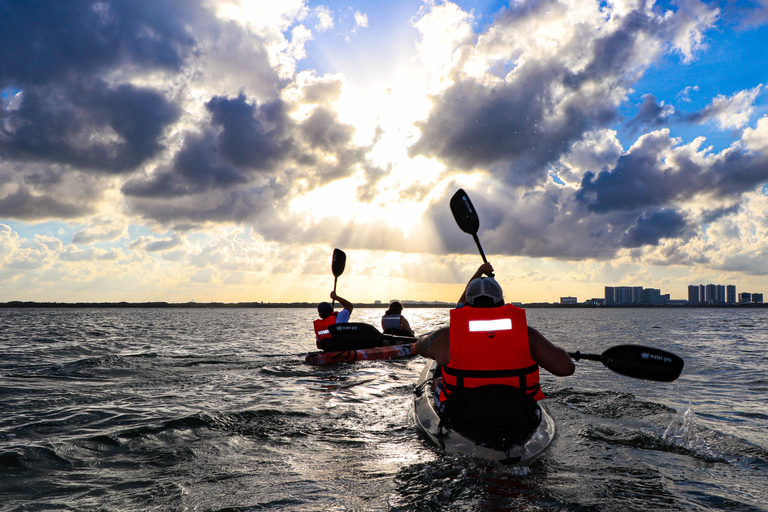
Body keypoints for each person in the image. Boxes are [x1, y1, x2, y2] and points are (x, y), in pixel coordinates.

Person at [415, 262, 574, 436]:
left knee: (437, 382)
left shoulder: (446, 336)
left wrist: (425, 338)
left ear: (467, 303)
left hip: (463, 413)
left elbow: (419, 347)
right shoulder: (527, 335)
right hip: (518, 413)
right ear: (502, 302)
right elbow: (566, 368)